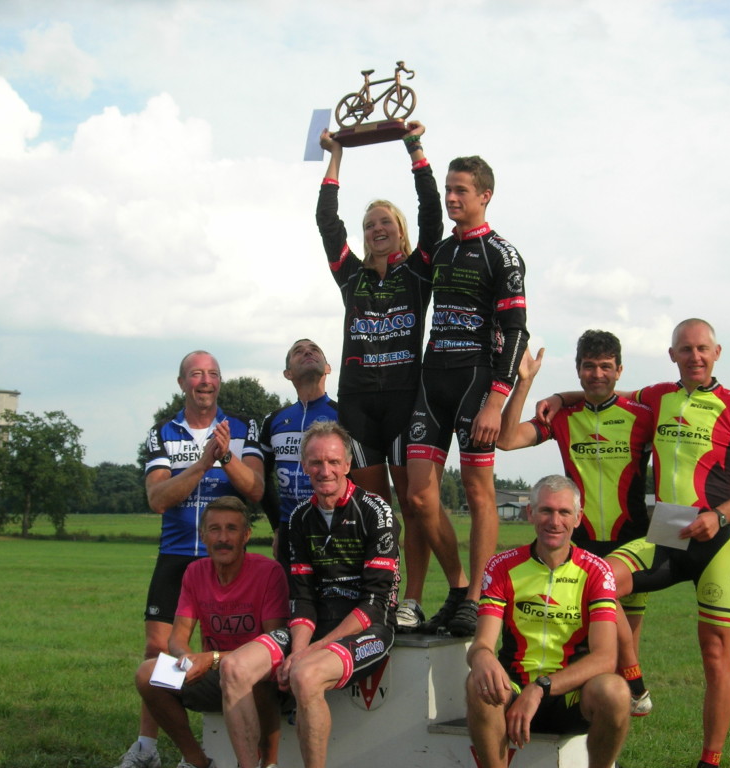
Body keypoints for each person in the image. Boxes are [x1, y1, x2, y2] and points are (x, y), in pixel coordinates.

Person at [537, 318, 730, 768]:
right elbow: (600, 394)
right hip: (668, 530)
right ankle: (635, 683)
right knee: (602, 579)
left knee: (715, 652)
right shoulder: (655, 397)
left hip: (721, 539)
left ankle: (710, 760)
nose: (695, 357)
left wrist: (720, 516)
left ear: (717, 352)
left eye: (703, 349)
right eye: (685, 350)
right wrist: (558, 397)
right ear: (672, 355)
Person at [317, 122, 441, 631]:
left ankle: (411, 598)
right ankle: (381, 597)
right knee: (372, 510)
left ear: (400, 230)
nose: (376, 229)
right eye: (369, 224)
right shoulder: (352, 276)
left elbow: (433, 214)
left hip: (406, 401)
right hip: (359, 406)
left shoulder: (417, 272)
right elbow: (327, 222)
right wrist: (335, 157)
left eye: (384, 221)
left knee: (413, 507)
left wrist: (415, 149)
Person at [115, 350, 265, 768]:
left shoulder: (241, 428)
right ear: (182, 383)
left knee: (221, 648)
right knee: (158, 651)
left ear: (220, 383)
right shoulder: (163, 432)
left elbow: (254, 489)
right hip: (178, 553)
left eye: (213, 374)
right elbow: (158, 498)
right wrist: (203, 463)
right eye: (196, 374)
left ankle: (219, 740)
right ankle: (150, 748)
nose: (205, 380)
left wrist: (226, 457)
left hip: (227, 555)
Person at [220, 421, 400, 768]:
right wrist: (298, 649)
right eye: (316, 462)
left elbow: (374, 605)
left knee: (305, 675)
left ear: (348, 465)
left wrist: (309, 654)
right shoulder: (300, 519)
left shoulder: (377, 512)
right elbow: (301, 598)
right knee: (233, 668)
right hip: (314, 623)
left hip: (368, 628)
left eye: (333, 462)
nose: (325, 470)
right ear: (304, 466)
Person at [497, 331, 656, 715]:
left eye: (605, 366)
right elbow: (505, 439)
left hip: (633, 545)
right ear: (578, 370)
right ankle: (627, 693)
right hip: (581, 548)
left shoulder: (644, 416)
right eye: (589, 366)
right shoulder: (564, 418)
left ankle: (625, 700)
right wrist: (527, 383)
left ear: (619, 370)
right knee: (602, 654)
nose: (597, 374)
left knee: (622, 645)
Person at [403, 155, 529, 635]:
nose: (452, 198)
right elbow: (423, 208)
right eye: (449, 191)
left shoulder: (503, 254)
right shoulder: (440, 251)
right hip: (432, 381)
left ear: (484, 196)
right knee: (418, 496)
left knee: (478, 492)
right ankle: (457, 586)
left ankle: (476, 597)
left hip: (476, 384)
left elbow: (516, 331)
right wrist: (416, 152)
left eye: (461, 191)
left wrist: (497, 399)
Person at [465, 475, 630, 768]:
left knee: (615, 691)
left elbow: (605, 658)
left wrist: (541, 687)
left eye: (564, 512)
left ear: (578, 518)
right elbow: (482, 644)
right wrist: (481, 658)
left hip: (569, 695)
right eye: (546, 510)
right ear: (530, 513)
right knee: (478, 683)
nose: (555, 521)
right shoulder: (502, 566)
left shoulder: (596, 571)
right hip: (513, 690)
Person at [134, 496, 288, 768]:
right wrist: (188, 659)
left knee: (256, 678)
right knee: (148, 673)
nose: (223, 538)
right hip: (209, 671)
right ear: (203, 535)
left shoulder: (269, 572)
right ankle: (196, 760)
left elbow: (272, 644)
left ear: (246, 535)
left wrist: (213, 658)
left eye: (232, 529)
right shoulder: (195, 571)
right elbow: (178, 639)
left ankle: (268, 762)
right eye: (215, 529)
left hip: (255, 675)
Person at [259, 338, 341, 569]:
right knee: (291, 603)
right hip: (290, 529)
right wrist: (277, 526)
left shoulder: (344, 415)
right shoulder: (273, 420)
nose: (308, 352)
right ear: (287, 373)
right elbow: (261, 478)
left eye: (315, 349)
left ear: (327, 368)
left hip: (335, 527)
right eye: (299, 351)